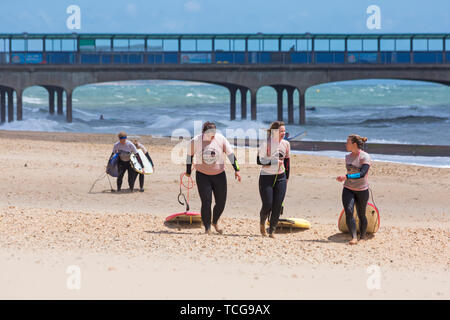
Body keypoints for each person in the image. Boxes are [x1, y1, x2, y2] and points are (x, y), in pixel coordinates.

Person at [186, 121, 242, 235]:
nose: (212, 135)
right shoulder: (196, 141)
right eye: (209, 133)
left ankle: (215, 221)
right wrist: (188, 171)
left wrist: (237, 170)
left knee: (221, 202)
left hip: (219, 175)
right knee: (206, 202)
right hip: (202, 175)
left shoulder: (220, 139)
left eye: (214, 133)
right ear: (203, 132)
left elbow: (231, 155)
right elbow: (189, 156)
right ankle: (207, 228)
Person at [336, 134, 372, 245]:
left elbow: (362, 174)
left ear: (354, 144)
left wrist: (346, 177)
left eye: (348, 142)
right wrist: (346, 178)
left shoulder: (365, 157)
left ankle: (362, 236)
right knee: (349, 211)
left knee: (361, 214)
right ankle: (354, 237)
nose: (346, 144)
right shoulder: (347, 157)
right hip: (348, 188)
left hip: (362, 189)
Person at [257, 121, 290, 238]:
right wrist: (274, 162)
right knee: (268, 204)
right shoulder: (266, 144)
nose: (283, 133)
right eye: (281, 131)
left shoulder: (286, 144)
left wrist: (287, 178)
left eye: (284, 131)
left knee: (277, 205)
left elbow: (287, 162)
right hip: (266, 177)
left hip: (281, 177)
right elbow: (259, 161)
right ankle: (262, 222)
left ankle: (272, 230)